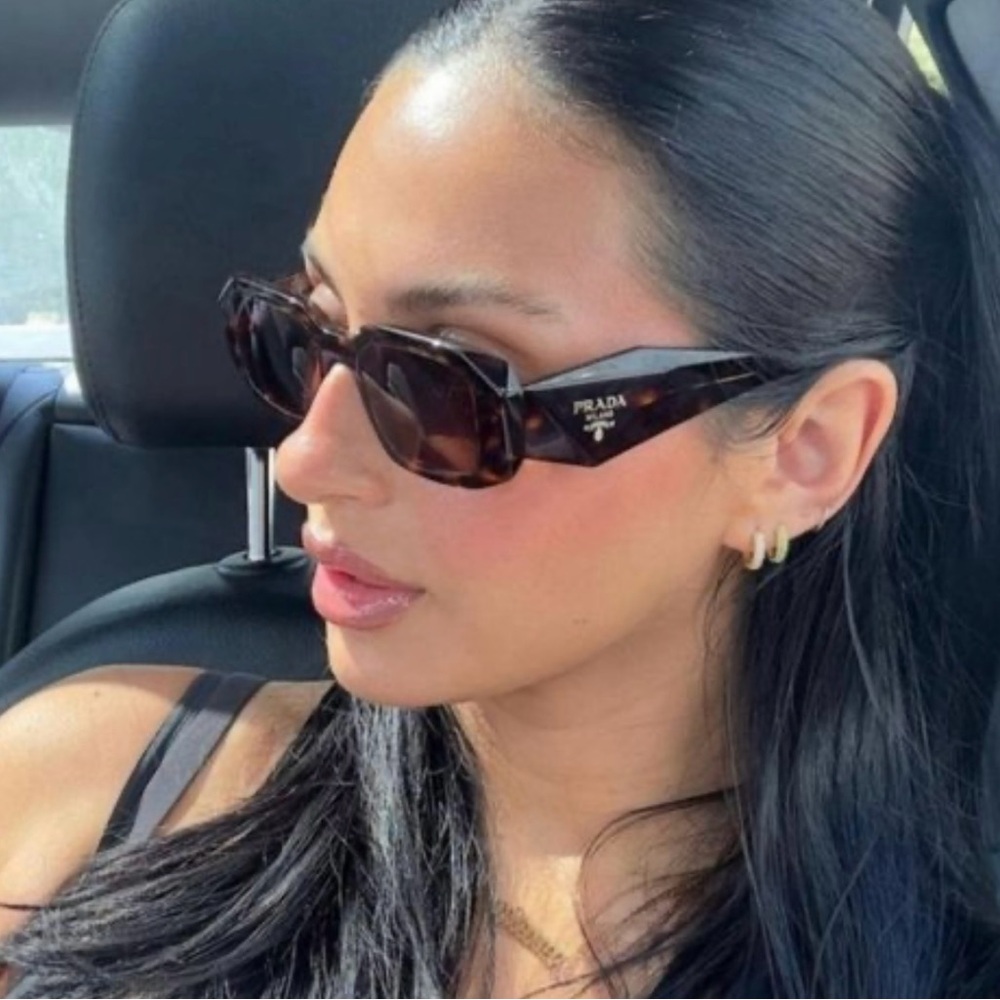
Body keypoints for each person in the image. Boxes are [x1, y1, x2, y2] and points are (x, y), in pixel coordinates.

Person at [2, 0, 1000, 995]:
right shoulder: (92, 780)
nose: (305, 458)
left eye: (452, 382)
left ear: (805, 452)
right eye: (305, 331)